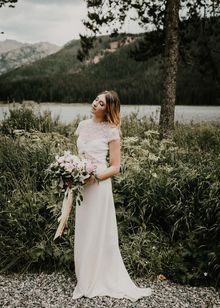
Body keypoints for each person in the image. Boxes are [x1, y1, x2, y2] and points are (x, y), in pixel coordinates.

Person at [72, 90, 152, 302]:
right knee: (84, 227)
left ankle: (99, 276)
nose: (95, 104)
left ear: (108, 109)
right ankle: (84, 273)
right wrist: (73, 173)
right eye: (96, 99)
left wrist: (94, 176)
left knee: (98, 230)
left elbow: (115, 167)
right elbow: (79, 157)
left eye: (101, 103)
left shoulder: (111, 131)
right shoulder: (82, 125)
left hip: (98, 185)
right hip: (82, 186)